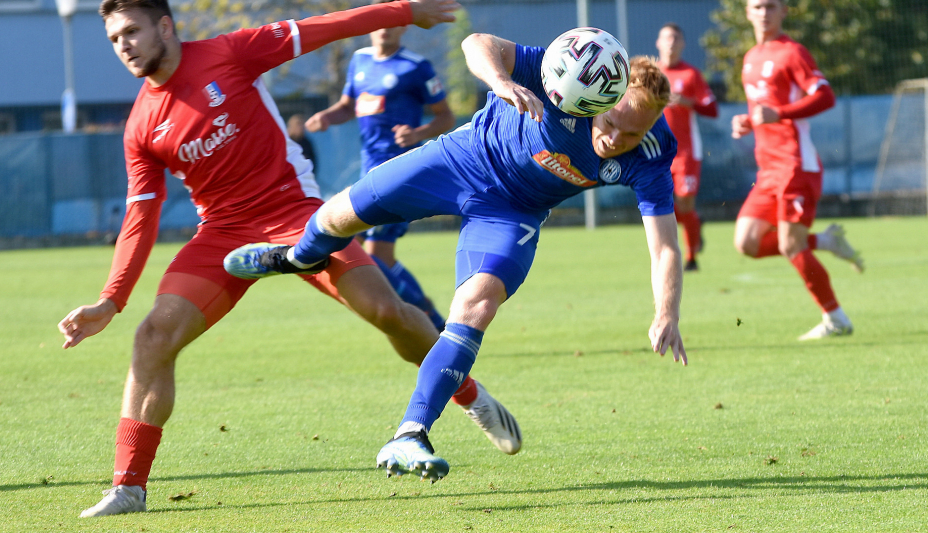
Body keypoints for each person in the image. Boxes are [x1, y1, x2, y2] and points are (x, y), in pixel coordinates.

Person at [57, 0, 520, 519]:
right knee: (153, 336)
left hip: (296, 215)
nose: (124, 45)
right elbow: (140, 217)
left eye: (132, 31)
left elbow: (324, 27)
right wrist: (111, 300)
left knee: (387, 313)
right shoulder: (140, 125)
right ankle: (128, 487)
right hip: (222, 233)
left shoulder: (229, 52)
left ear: (165, 26)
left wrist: (407, 12)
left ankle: (467, 393)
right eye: (115, 38)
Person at [225, 32, 688, 483]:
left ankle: (411, 434)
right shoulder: (563, 74)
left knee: (475, 307)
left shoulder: (651, 152)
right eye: (610, 125)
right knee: (337, 216)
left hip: (512, 212)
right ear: (596, 102)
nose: (615, 140)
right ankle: (300, 258)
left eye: (632, 134)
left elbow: (664, 243)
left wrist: (666, 312)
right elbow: (477, 43)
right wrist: (501, 82)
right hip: (462, 158)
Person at [305, 0, 456, 332]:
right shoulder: (359, 61)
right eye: (379, 21)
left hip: (401, 171)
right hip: (368, 170)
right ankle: (431, 322)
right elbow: (348, 105)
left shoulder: (416, 67)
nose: (385, 29)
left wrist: (418, 133)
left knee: (375, 254)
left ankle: (433, 323)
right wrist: (328, 117)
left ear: (404, 27)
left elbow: (445, 117)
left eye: (393, 22)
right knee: (374, 254)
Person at [730, 0, 863, 341]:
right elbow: (763, 111)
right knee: (747, 243)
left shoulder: (793, 53)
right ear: (747, 12)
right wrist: (747, 121)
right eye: (757, 6)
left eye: (771, 6)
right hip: (768, 168)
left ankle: (836, 318)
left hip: (794, 165)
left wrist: (781, 114)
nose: (764, 13)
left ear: (784, 10)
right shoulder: (750, 58)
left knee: (790, 244)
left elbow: (825, 96)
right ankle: (826, 242)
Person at [655, 23, 718, 271]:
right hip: (656, 154)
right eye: (667, 38)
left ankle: (691, 258)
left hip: (686, 153)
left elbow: (712, 109)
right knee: (663, 206)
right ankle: (690, 230)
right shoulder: (650, 75)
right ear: (658, 43)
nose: (671, 42)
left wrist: (685, 101)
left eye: (676, 38)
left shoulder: (691, 75)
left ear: (682, 44)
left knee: (684, 204)